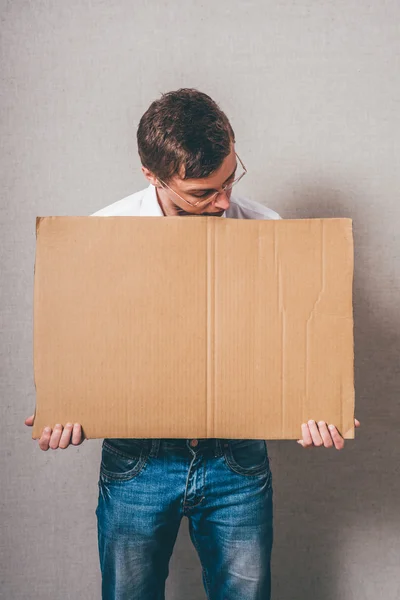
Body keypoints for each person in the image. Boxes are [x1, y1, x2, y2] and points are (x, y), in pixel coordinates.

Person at [25, 88, 360, 599]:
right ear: (152, 177)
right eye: (202, 193)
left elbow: (293, 355)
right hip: (138, 461)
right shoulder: (99, 242)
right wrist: (64, 406)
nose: (224, 202)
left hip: (236, 462)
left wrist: (317, 407)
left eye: (230, 180)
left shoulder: (267, 235)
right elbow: (80, 352)